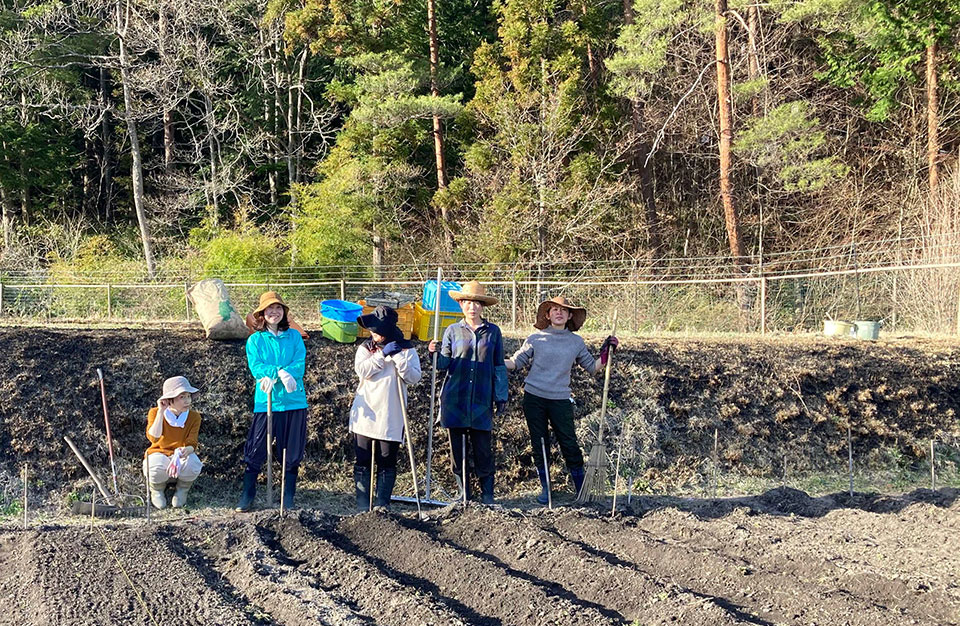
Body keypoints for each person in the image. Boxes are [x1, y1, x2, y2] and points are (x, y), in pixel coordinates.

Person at [505, 296, 618, 504]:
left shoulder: (576, 342)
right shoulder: (535, 339)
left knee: (569, 443)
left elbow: (592, 368)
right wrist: (492, 360)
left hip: (560, 399)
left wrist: (605, 353)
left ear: (569, 316)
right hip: (534, 398)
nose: (559, 312)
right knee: (539, 443)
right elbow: (515, 362)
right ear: (547, 315)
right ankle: (546, 489)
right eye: (554, 309)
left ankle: (581, 489)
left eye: (563, 310)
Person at [428, 281, 508, 505]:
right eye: (467, 302)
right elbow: (443, 364)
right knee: (458, 450)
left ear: (483, 306)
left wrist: (501, 395)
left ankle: (487, 494)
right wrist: (433, 352)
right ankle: (464, 493)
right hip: (455, 398)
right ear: (461, 304)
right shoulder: (452, 331)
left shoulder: (493, 332)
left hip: (481, 398)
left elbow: (499, 364)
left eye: (476, 303)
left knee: (483, 449)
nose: (472, 307)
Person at [236, 291, 308, 512]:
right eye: (269, 309)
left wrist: (289, 374)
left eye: (278, 308)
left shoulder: (294, 336)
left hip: (293, 401)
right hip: (266, 401)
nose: (274, 312)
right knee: (257, 447)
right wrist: (277, 372)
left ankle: (288, 496)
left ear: (284, 312)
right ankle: (248, 495)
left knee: (291, 450)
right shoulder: (255, 340)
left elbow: (300, 362)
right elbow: (255, 366)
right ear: (262, 314)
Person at [350, 306, 422, 511]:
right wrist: (381, 356)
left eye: (377, 329)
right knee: (363, 459)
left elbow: (414, 377)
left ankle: (382, 506)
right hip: (367, 410)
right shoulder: (366, 348)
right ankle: (363, 506)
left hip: (391, 413)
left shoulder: (407, 349)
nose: (373, 333)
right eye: (372, 329)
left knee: (386, 460)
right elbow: (362, 370)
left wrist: (398, 358)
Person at [145, 376, 203, 509]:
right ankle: (157, 490)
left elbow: (192, 442)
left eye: (188, 396)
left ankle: (182, 489)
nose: (187, 401)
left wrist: (185, 451)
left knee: (193, 464)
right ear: (169, 400)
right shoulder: (154, 413)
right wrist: (161, 412)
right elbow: (154, 438)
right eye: (182, 397)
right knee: (154, 467)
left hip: (181, 454)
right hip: (159, 453)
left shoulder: (194, 417)